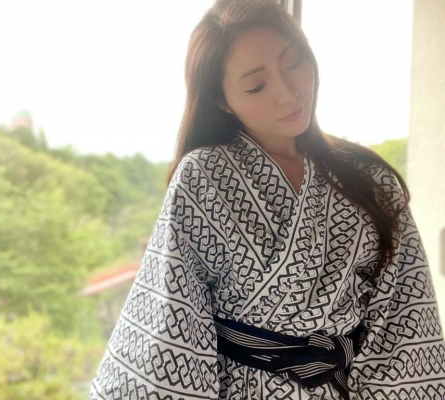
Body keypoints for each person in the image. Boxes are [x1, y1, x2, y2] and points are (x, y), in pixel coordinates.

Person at [88, 0, 445, 399]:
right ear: (221, 99)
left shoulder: (371, 179)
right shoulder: (203, 177)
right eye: (257, 86)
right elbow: (171, 319)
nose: (288, 93)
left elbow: (405, 318)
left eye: (293, 63)